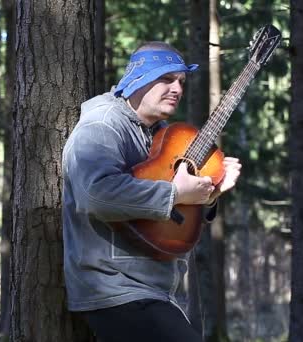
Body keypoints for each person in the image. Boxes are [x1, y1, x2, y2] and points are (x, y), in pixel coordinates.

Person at [62, 41, 242, 342]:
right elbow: (95, 194)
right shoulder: (103, 125)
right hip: (115, 289)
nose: (177, 88)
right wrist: (174, 193)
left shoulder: (162, 134)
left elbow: (168, 215)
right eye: (167, 78)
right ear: (139, 78)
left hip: (157, 291)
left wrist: (208, 194)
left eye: (181, 82)